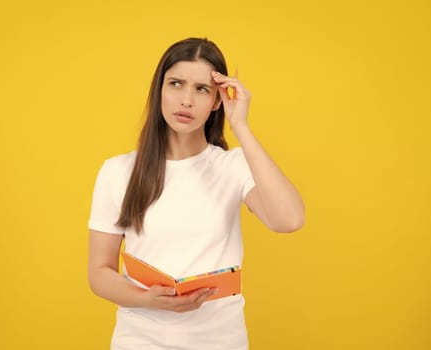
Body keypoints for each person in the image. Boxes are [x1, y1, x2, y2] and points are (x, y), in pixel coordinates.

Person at [88, 37, 305, 350]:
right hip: (141, 340)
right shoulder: (117, 171)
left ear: (217, 101)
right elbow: (99, 272)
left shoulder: (233, 166)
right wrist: (148, 299)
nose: (186, 100)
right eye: (176, 83)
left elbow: (290, 219)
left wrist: (240, 126)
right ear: (159, 90)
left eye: (202, 89)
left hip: (221, 341)